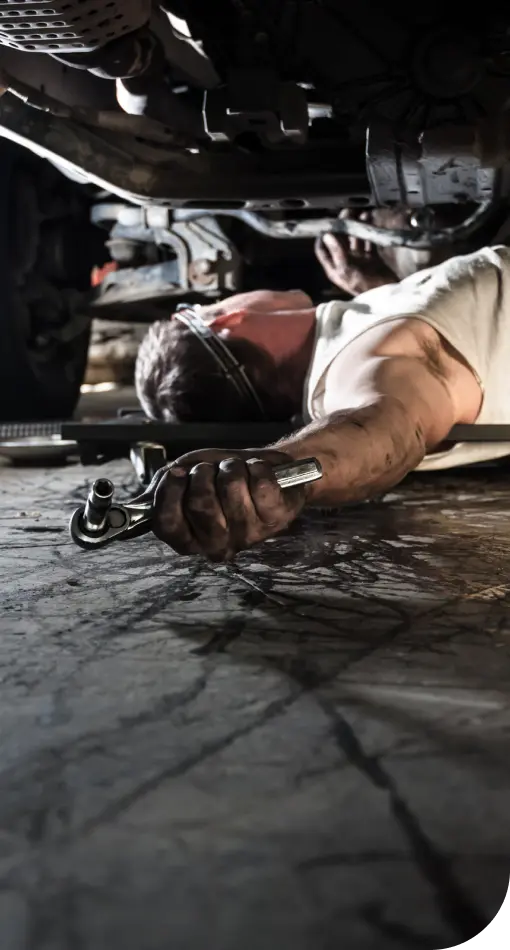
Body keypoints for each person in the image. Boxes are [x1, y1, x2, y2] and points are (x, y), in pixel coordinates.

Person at [135, 243, 510, 563]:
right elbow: (387, 426)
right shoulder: (356, 367)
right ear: (225, 318)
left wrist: (374, 286)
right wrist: (278, 472)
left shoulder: (348, 338)